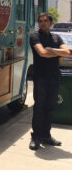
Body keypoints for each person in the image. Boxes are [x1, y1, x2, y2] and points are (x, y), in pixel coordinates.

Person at [29, 12, 70, 150]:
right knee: (39, 107)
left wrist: (52, 50)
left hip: (54, 77)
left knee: (50, 108)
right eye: (40, 21)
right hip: (40, 77)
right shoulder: (35, 36)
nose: (42, 23)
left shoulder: (56, 37)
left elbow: (67, 53)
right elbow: (42, 53)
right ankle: (36, 137)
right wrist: (57, 52)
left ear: (51, 22)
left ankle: (46, 135)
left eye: (45, 21)